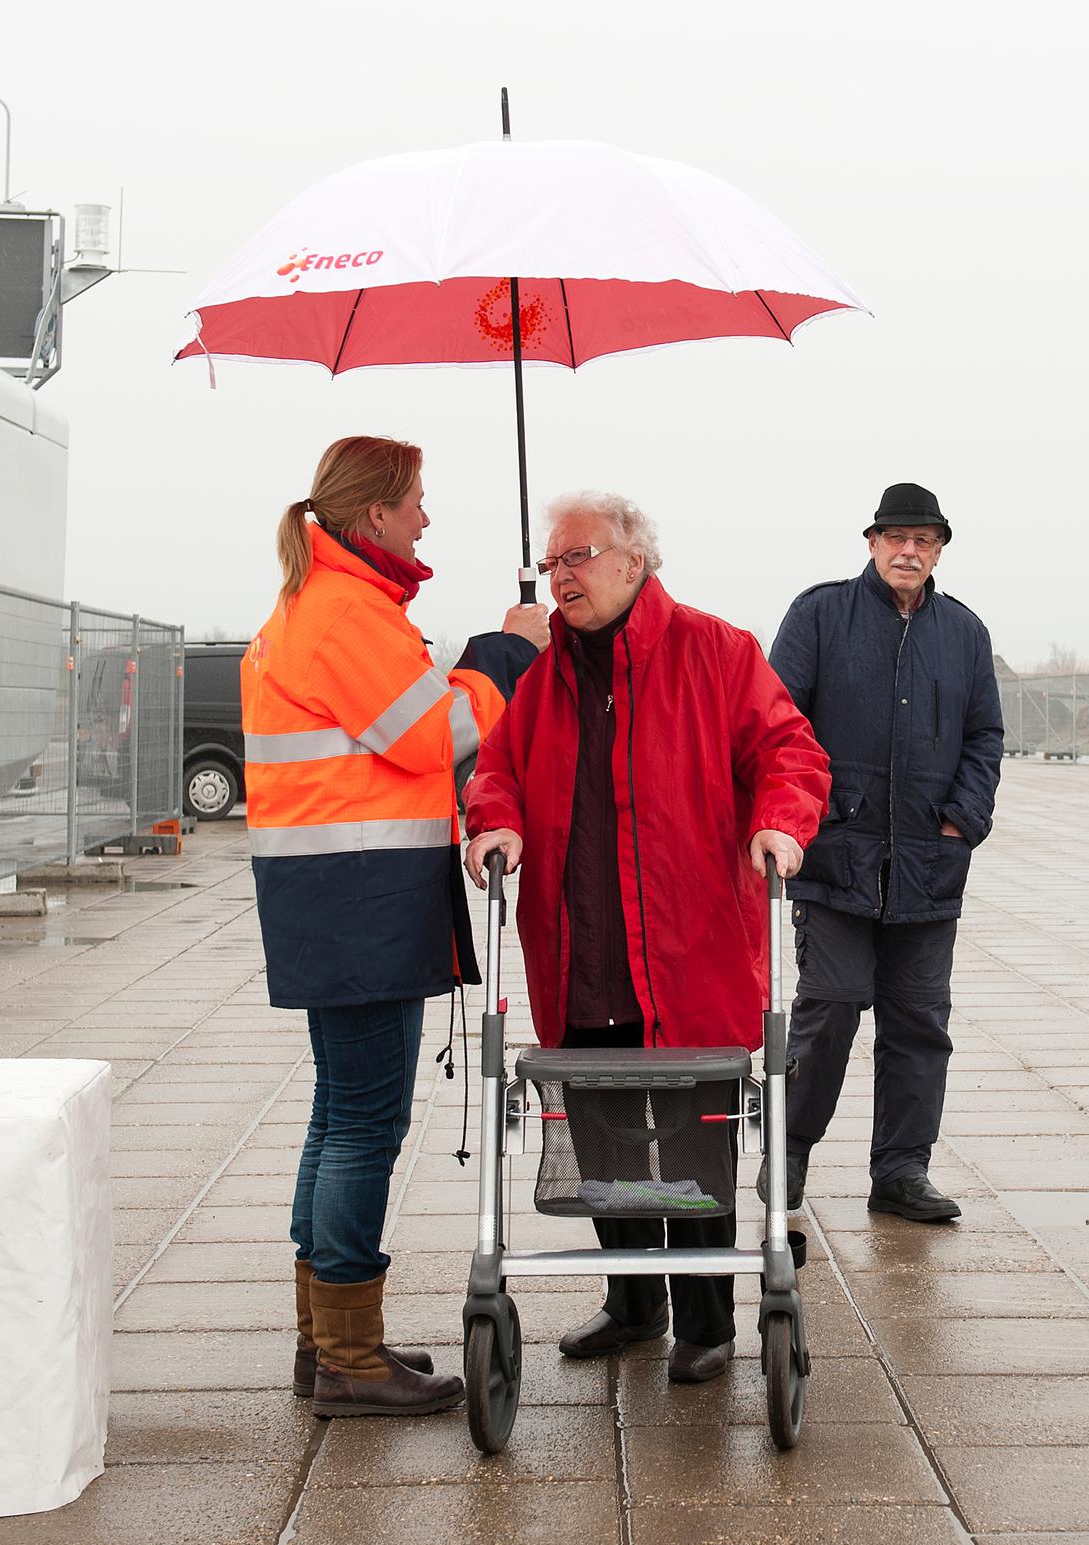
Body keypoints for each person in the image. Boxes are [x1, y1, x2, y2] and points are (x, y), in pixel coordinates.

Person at [463, 491, 828, 1384]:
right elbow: (497, 767)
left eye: (576, 557)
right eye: (551, 563)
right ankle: (633, 1303)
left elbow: (790, 751)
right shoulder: (543, 679)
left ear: (634, 560)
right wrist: (495, 818)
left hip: (685, 952)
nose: (561, 576)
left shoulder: (717, 651)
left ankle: (707, 1321)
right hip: (581, 954)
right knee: (605, 1136)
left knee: (693, 1142)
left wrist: (780, 822)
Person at [245, 435, 548, 1417]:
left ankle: (329, 1341)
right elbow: (432, 734)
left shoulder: (322, 602)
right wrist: (509, 652)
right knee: (365, 1123)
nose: (425, 517)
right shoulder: (347, 610)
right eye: (415, 500)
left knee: (339, 1112)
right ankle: (348, 1356)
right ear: (373, 512)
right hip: (358, 896)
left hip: (330, 892)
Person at [761, 482, 1003, 1223]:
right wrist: (801, 816)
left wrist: (962, 821)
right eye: (895, 537)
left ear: (939, 552)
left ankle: (901, 1170)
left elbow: (984, 737)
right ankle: (787, 1152)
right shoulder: (820, 614)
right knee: (829, 1010)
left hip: (929, 866)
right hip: (837, 858)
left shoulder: (964, 633)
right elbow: (777, 722)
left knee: (919, 1023)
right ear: (871, 543)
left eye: (923, 540)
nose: (908, 550)